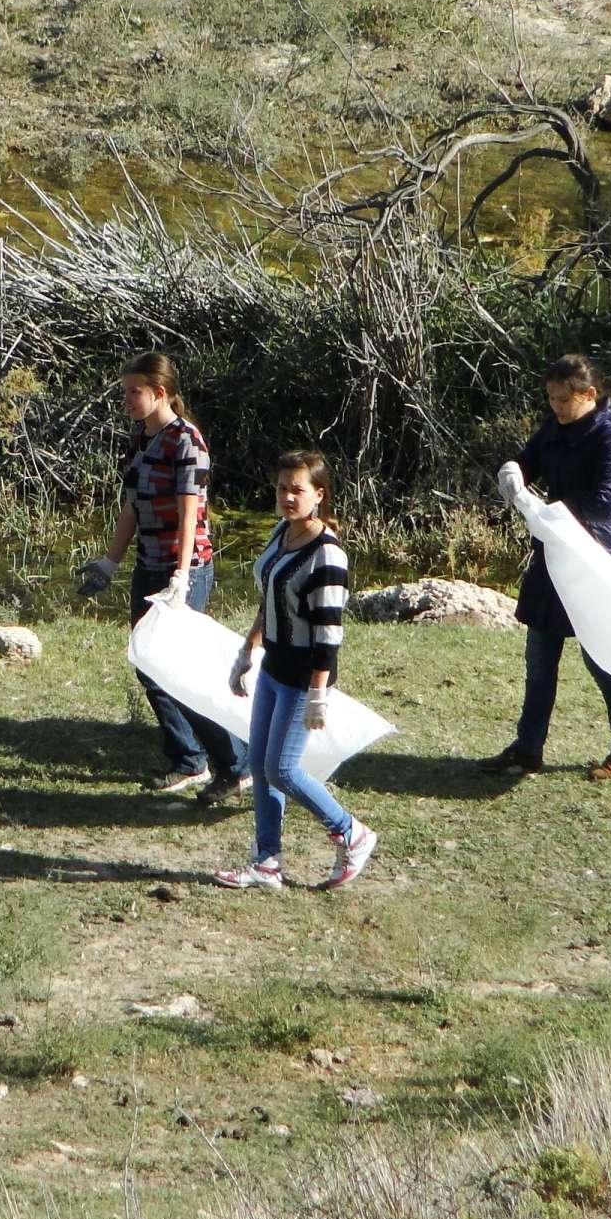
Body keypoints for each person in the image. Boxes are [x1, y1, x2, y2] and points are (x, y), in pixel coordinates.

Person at [78, 353, 249, 803]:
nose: (126, 400)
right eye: (124, 391)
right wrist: (109, 562)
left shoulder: (187, 442)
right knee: (148, 664)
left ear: (160, 392)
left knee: (180, 672)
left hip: (183, 571)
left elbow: (190, 513)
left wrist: (180, 577)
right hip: (147, 564)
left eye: (134, 391)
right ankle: (190, 759)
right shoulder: (141, 437)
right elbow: (132, 505)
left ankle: (234, 764)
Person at [214, 450, 377, 891]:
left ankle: (351, 832)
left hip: (305, 678)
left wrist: (318, 695)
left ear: (318, 495)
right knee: (261, 764)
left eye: (297, 490)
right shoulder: (280, 534)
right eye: (282, 487)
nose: (287, 497)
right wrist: (247, 649)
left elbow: (328, 635)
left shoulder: (327, 557)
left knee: (282, 769)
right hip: (273, 668)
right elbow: (269, 598)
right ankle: (266, 863)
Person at [483, 353, 611, 781]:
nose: (556, 407)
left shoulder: (609, 435)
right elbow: (529, 460)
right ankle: (527, 750)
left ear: (588, 394)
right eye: (551, 399)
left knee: (601, 656)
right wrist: (513, 473)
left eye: (563, 399)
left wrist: (547, 509)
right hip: (552, 553)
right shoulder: (554, 429)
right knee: (540, 657)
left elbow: (605, 502)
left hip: (595, 555)